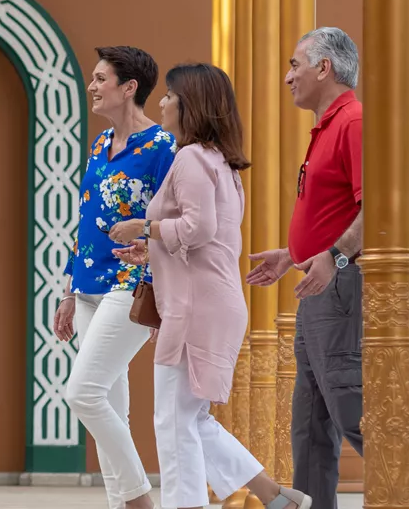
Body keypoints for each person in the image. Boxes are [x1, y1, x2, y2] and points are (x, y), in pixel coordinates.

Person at [247, 26, 409, 509]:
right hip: (320, 290)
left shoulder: (353, 121)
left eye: (296, 65)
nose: (288, 76)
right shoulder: (327, 127)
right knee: (310, 424)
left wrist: (335, 258)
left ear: (324, 67)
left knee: (355, 415)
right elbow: (335, 214)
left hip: (341, 289)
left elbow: (376, 205)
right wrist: (292, 256)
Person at [108, 62, 312, 509]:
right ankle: (276, 497)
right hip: (208, 302)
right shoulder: (218, 163)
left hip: (195, 308)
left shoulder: (191, 158)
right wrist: (154, 247)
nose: (161, 103)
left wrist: (145, 226)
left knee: (174, 423)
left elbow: (198, 229)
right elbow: (208, 236)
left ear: (189, 104)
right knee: (190, 418)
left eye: (169, 96)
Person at [52, 45, 175, 509]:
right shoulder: (100, 145)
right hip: (87, 287)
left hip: (133, 284)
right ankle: (118, 504)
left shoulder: (163, 147)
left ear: (129, 88)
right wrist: (68, 289)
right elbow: (86, 218)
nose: (92, 87)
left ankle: (142, 500)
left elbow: (174, 217)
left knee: (82, 393)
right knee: (110, 408)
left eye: (101, 79)